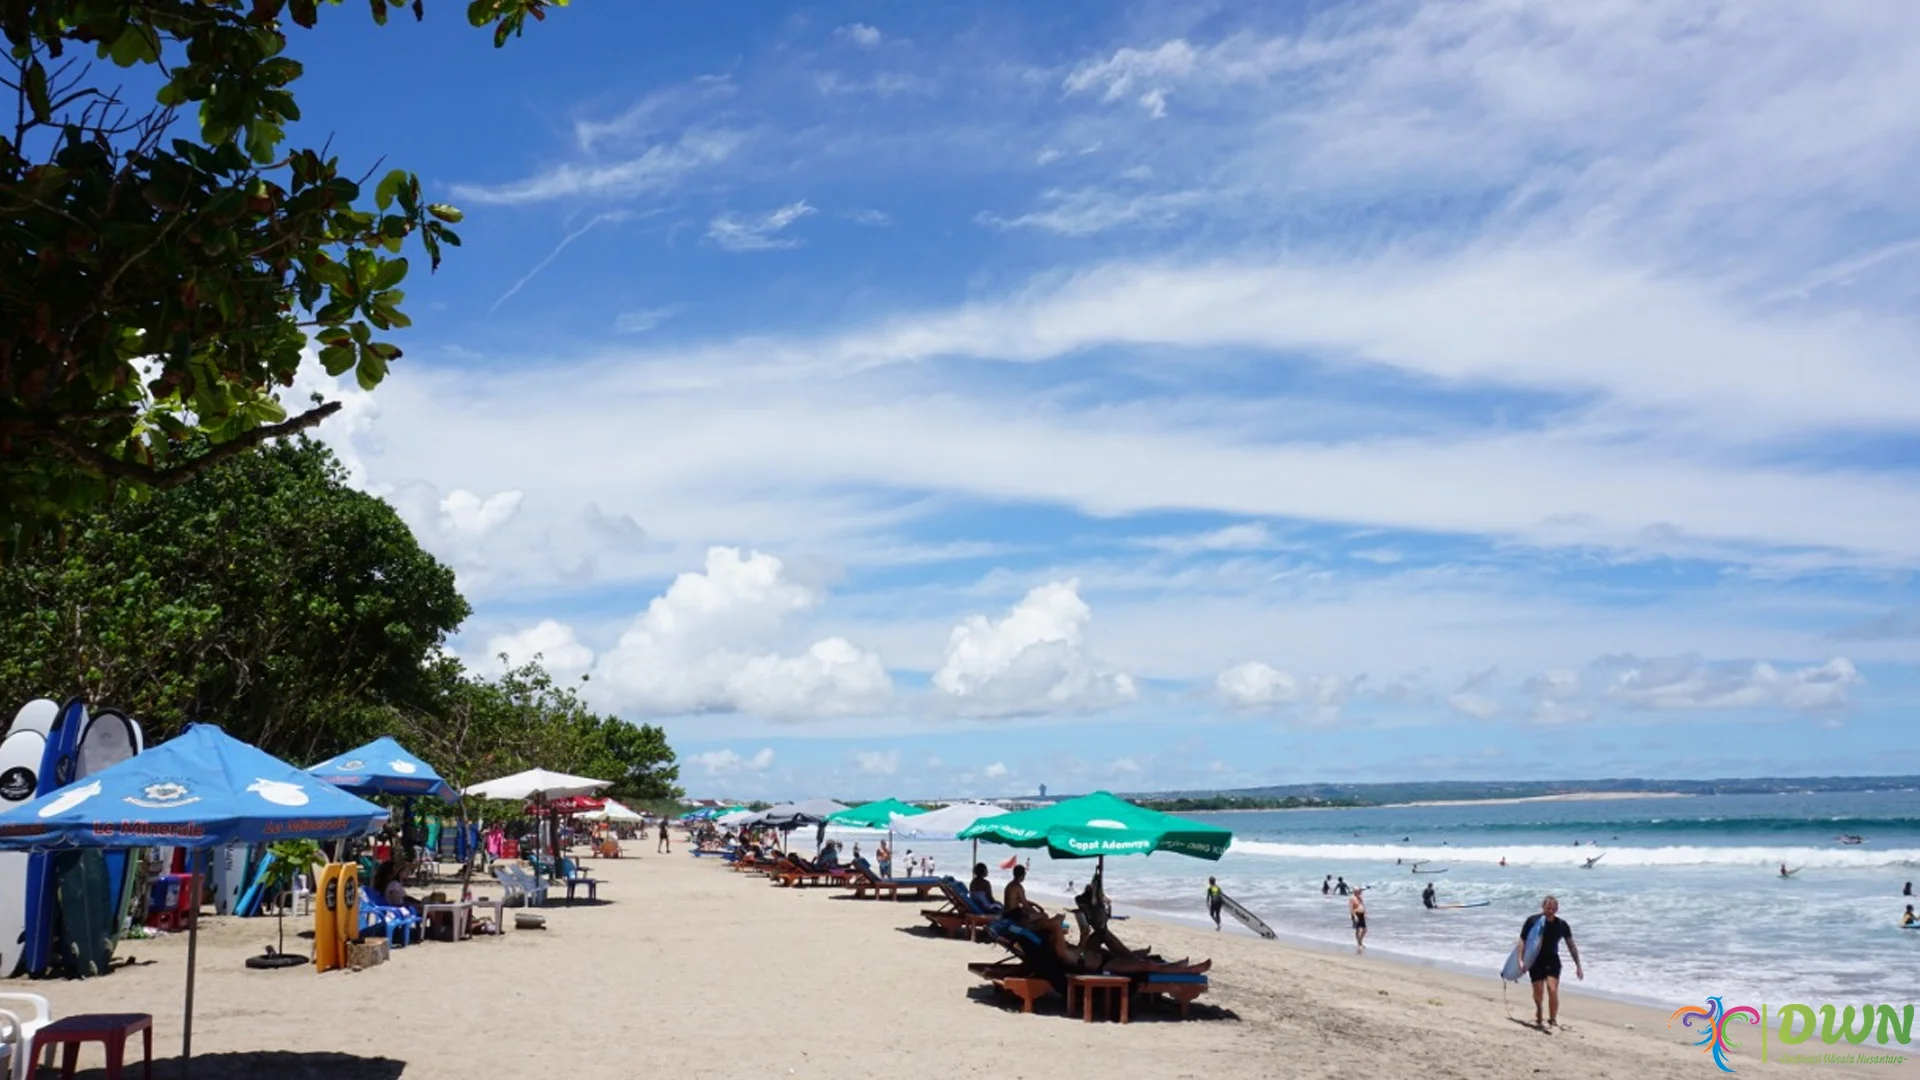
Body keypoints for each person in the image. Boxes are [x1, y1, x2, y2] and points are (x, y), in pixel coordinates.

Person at [1517, 895, 1584, 1030]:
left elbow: (1571, 945)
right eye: (1548, 908)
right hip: (1535, 961)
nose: (1551, 911)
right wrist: (1520, 960)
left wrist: (1578, 965)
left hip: (1552, 960)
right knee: (1538, 993)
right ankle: (1539, 1011)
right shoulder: (1532, 921)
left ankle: (1552, 1019)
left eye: (1554, 908)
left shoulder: (1562, 925)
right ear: (1543, 907)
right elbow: (1522, 940)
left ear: (1557, 909)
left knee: (1552, 990)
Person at [1348, 886, 1367, 952]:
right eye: (1359, 891)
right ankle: (1359, 943)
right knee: (1358, 929)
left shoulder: (1360, 898)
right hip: (1356, 914)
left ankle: (1360, 941)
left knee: (1365, 930)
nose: (1360, 892)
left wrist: (1365, 913)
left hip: (1361, 915)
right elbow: (1351, 908)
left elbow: (1363, 905)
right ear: (1355, 892)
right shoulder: (1352, 898)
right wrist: (1355, 916)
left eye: (1360, 891)